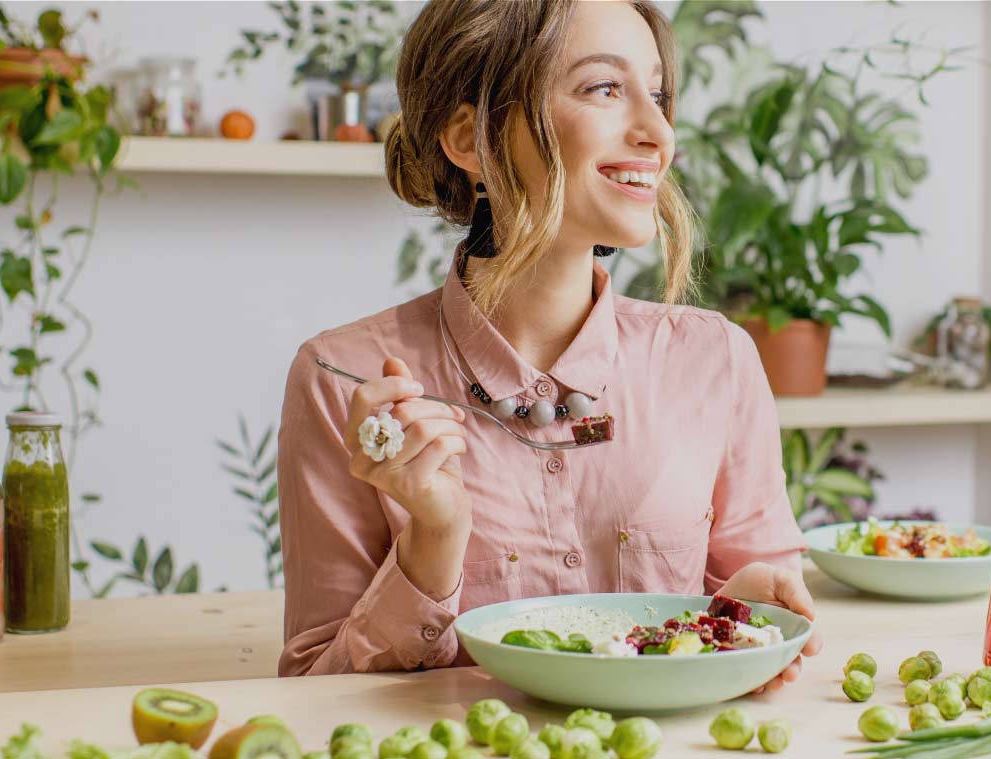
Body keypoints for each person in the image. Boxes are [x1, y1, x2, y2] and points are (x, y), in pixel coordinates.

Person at [275, 0, 820, 693]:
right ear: (469, 139)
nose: (658, 132)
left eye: (656, 94)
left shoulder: (716, 359)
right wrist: (433, 544)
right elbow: (308, 694)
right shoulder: (341, 379)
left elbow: (761, 620)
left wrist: (745, 614)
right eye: (604, 89)